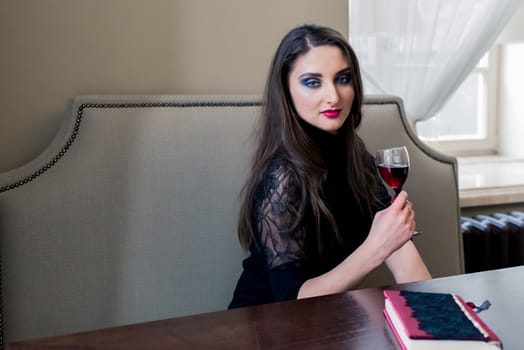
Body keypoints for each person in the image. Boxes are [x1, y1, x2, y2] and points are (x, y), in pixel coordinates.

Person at [228, 24, 431, 309]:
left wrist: (439, 315)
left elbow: (397, 246)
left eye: (343, 79)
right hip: (265, 328)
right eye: (312, 82)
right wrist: (376, 248)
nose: (333, 96)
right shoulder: (281, 177)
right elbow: (291, 301)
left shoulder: (354, 152)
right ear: (285, 90)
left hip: (329, 321)